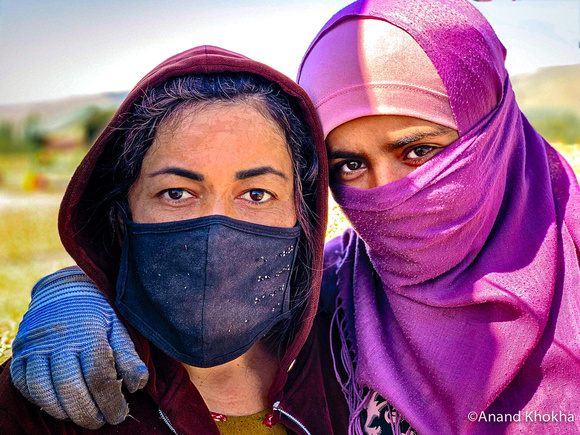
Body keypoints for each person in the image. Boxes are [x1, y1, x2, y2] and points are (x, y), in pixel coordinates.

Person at [7, 0, 580, 434]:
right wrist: (74, 288)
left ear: (494, 131)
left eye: (418, 151)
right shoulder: (339, 296)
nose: (388, 192)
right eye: (349, 163)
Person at [0, 45, 349, 434]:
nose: (216, 232)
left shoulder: (350, 361)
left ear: (302, 212)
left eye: (256, 194)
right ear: (122, 210)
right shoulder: (44, 400)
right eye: (177, 193)